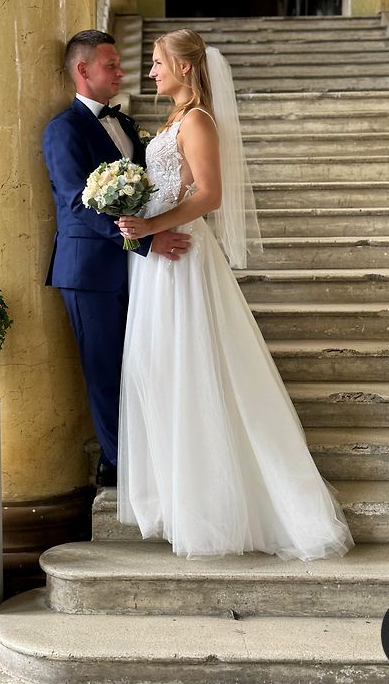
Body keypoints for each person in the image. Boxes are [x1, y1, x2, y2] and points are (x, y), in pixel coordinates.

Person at [116, 29, 354, 560]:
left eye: (158, 62)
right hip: (158, 260)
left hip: (183, 256)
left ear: (184, 67)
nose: (151, 71)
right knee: (159, 370)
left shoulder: (198, 120)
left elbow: (210, 194)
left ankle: (214, 508)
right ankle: (180, 498)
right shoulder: (174, 119)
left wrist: (152, 228)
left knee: (192, 370)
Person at [43, 30, 190, 487]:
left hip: (134, 269)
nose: (122, 72)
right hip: (89, 272)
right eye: (111, 65)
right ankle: (117, 466)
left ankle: (142, 455)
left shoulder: (125, 124)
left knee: (141, 364)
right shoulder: (63, 129)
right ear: (83, 69)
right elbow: (75, 204)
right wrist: (145, 242)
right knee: (104, 369)